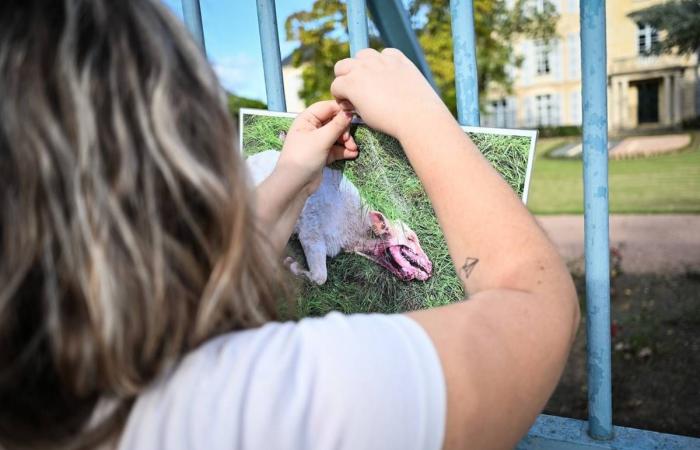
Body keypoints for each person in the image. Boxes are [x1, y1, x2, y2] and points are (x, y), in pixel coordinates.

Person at [0, 0, 580, 449]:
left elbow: (200, 280)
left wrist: (293, 176)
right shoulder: (249, 407)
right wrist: (422, 116)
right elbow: (534, 304)